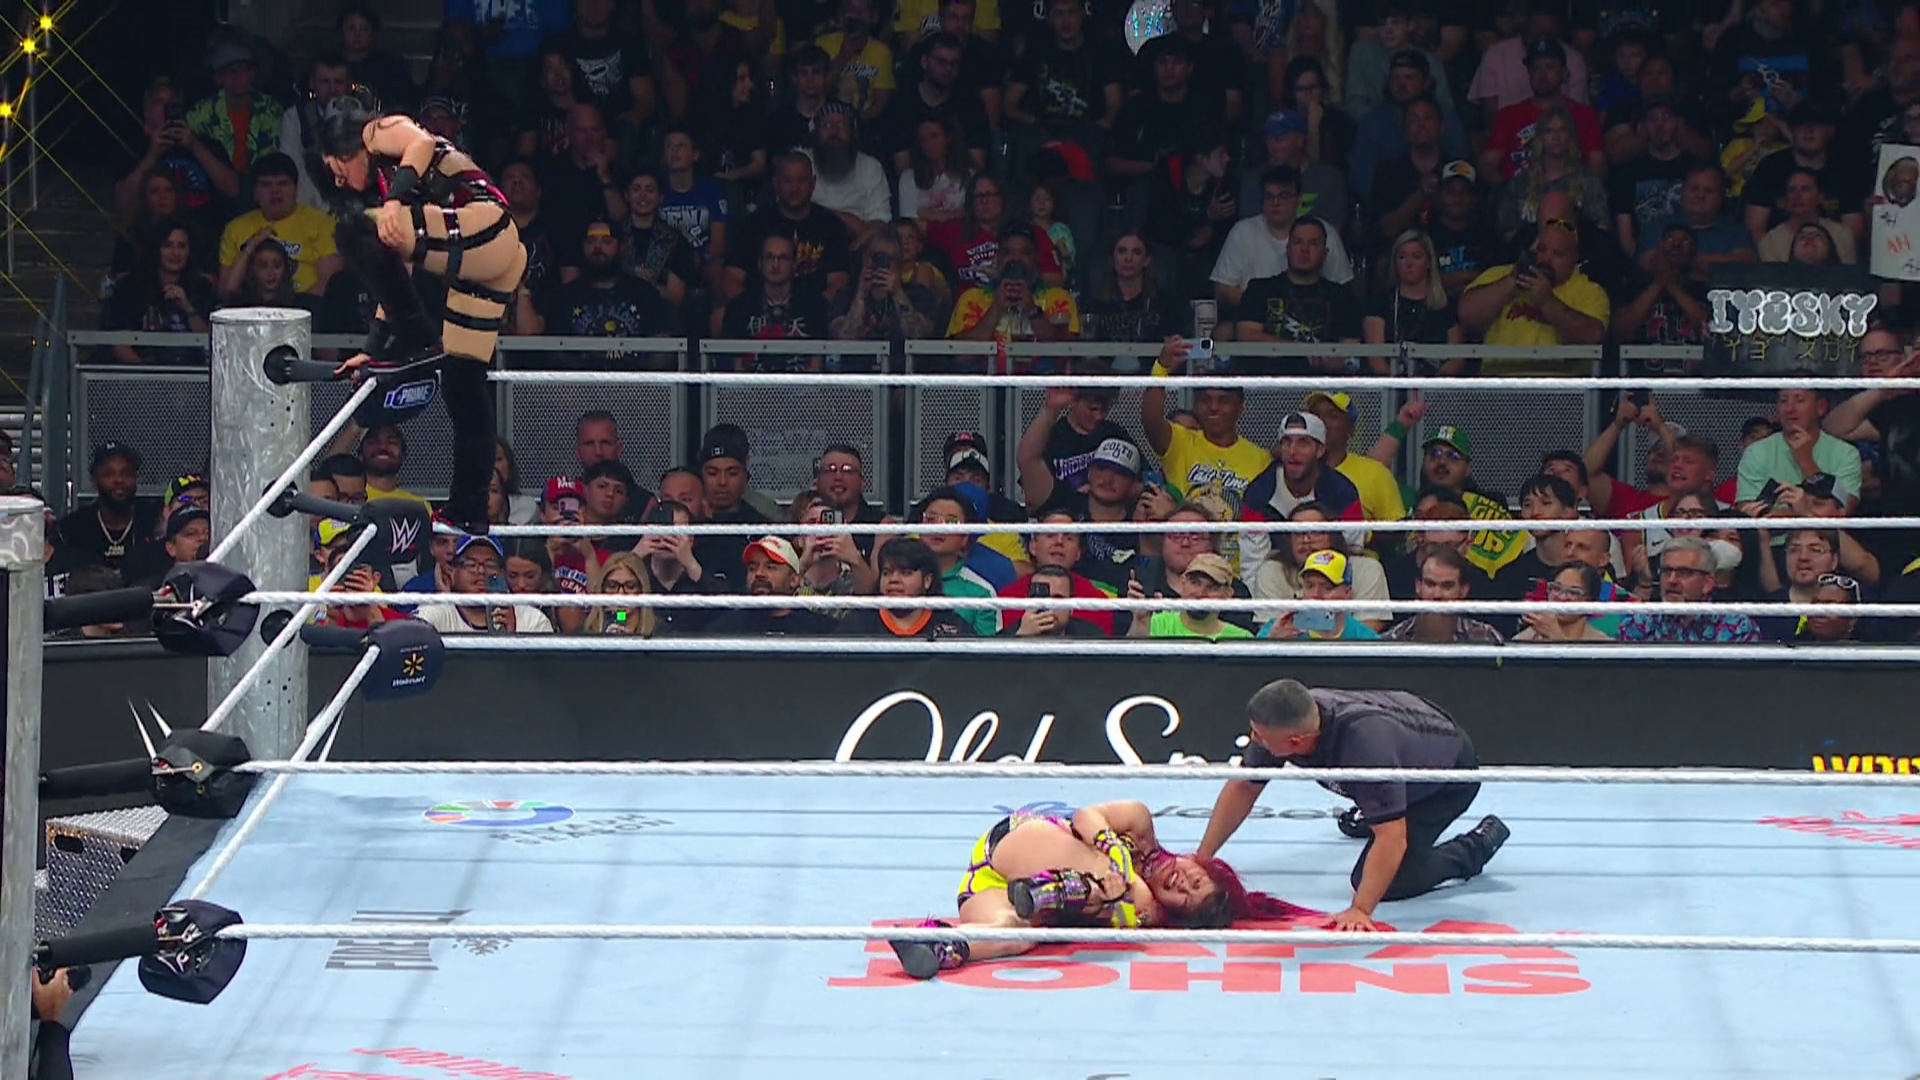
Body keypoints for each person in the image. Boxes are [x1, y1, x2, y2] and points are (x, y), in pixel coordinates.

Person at [318, 90, 525, 535]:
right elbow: (397, 279)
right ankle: (469, 508)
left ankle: (418, 340)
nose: (339, 181)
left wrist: (394, 202)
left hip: (485, 224)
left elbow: (423, 142)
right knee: (464, 386)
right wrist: (374, 349)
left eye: (337, 169)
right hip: (491, 255)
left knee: (354, 229)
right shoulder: (396, 198)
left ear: (348, 150)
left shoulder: (378, 131)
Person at [1198, 679, 1510, 931]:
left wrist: (1360, 909)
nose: (1254, 739)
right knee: (1378, 809)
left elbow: (1392, 837)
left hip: (1445, 779)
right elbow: (1244, 786)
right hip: (1407, 738)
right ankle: (1374, 810)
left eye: (1260, 736)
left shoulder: (1365, 748)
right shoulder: (1294, 720)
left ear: (1295, 742)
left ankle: (1476, 845)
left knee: (1383, 881)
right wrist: (1203, 858)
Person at [888, 799, 1315, 979]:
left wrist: (1119, 894)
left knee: (1016, 936)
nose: (1182, 882)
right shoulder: (1140, 825)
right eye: (1196, 878)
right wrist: (1114, 854)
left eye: (1186, 897)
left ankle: (940, 944)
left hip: (985, 890)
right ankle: (1044, 891)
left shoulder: (1146, 913)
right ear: (1198, 862)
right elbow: (1084, 816)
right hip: (1024, 842)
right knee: (1121, 886)